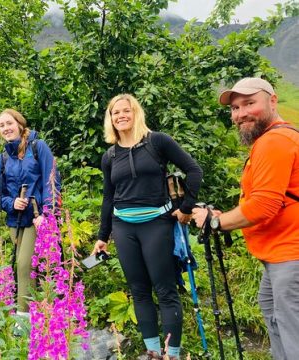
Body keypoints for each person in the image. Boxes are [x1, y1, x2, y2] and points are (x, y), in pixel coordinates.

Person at [192, 77, 299, 359]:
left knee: (293, 333)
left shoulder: (274, 141)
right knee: (275, 317)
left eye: (249, 103)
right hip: (279, 256)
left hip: (290, 257)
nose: (240, 114)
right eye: (235, 108)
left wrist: (214, 222)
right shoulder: (278, 138)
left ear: (273, 101)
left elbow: (263, 205)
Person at [92, 94, 203, 360]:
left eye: (126, 111)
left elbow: (194, 170)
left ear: (136, 113)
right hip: (123, 227)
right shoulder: (109, 156)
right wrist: (102, 236)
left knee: (165, 290)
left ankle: (172, 354)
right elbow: (109, 197)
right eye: (115, 112)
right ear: (110, 119)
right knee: (139, 291)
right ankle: (153, 352)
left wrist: (186, 209)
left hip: (157, 224)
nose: (121, 116)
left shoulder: (157, 141)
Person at [0, 109, 59, 316]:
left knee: (24, 265)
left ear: (20, 124)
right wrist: (12, 203)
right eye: (1, 125)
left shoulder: (38, 147)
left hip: (37, 218)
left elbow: (52, 182)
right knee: (28, 269)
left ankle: (23, 319)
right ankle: (43, 315)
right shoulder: (1, 159)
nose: (6, 128)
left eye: (9, 123)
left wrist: (46, 214)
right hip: (15, 219)